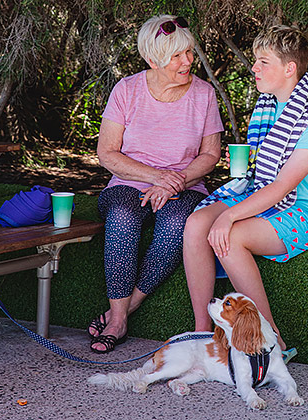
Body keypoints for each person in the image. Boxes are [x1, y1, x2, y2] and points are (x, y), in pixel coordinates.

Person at [183, 25, 308, 356]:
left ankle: (272, 339)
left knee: (232, 236)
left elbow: (284, 185)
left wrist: (229, 216)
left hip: (306, 210)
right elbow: (265, 176)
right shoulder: (268, 106)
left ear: (289, 68)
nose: (254, 68)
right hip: (266, 195)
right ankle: (201, 333)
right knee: (196, 224)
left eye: (263, 61)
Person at [88, 15, 224, 353]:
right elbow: (107, 153)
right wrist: (156, 177)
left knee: (177, 223)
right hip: (129, 182)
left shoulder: (204, 94)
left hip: (186, 185)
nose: (188, 62)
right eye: (177, 56)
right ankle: (119, 320)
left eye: (190, 52)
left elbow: (210, 154)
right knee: (122, 217)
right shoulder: (127, 89)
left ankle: (122, 311)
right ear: (153, 59)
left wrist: (175, 181)